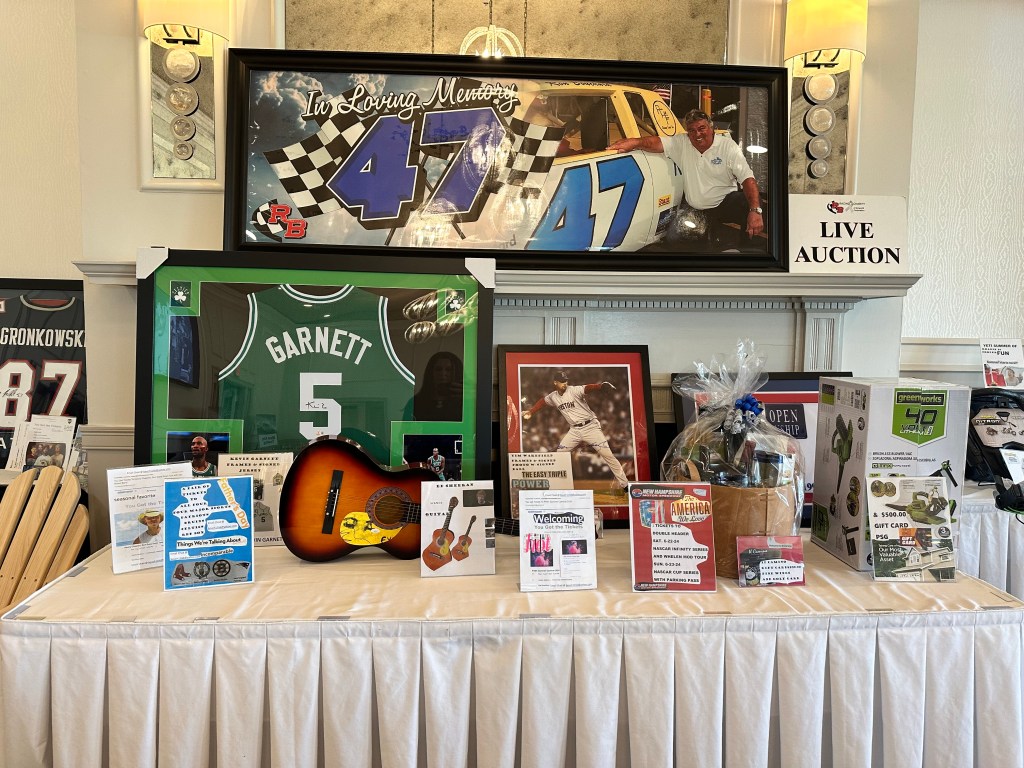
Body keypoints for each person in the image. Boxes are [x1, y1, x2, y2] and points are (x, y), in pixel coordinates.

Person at [608, 109, 764, 243]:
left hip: (724, 203)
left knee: (750, 203)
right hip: (696, 209)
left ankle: (746, 251)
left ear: (711, 128)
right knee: (673, 238)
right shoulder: (682, 142)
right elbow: (655, 143)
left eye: (702, 128)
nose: (697, 134)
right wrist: (634, 142)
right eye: (692, 130)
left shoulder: (727, 146)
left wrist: (755, 211)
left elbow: (747, 179)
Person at [521, 370, 630, 489]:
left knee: (608, 456)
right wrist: (531, 411)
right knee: (560, 454)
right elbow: (543, 401)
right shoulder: (553, 396)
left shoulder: (573, 390)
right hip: (574, 431)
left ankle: (625, 485)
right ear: (555, 382)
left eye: (565, 381)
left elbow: (586, 388)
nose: (565, 384)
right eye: (562, 381)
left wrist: (600, 386)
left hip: (590, 427)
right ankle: (558, 485)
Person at [411, 351, 463, 421]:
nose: (443, 373)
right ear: (431, 372)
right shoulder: (415, 403)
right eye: (438, 369)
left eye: (449, 370)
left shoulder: (465, 404)